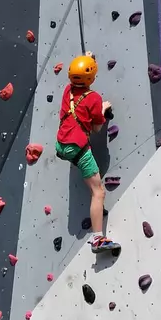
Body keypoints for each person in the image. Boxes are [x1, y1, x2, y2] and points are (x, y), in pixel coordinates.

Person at [56, 53, 118, 253]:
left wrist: (87, 58)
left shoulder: (68, 90)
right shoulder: (94, 98)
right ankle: (98, 239)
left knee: (92, 184)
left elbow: (79, 76)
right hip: (79, 148)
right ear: (91, 78)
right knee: (98, 192)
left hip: (62, 145)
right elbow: (97, 129)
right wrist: (102, 109)